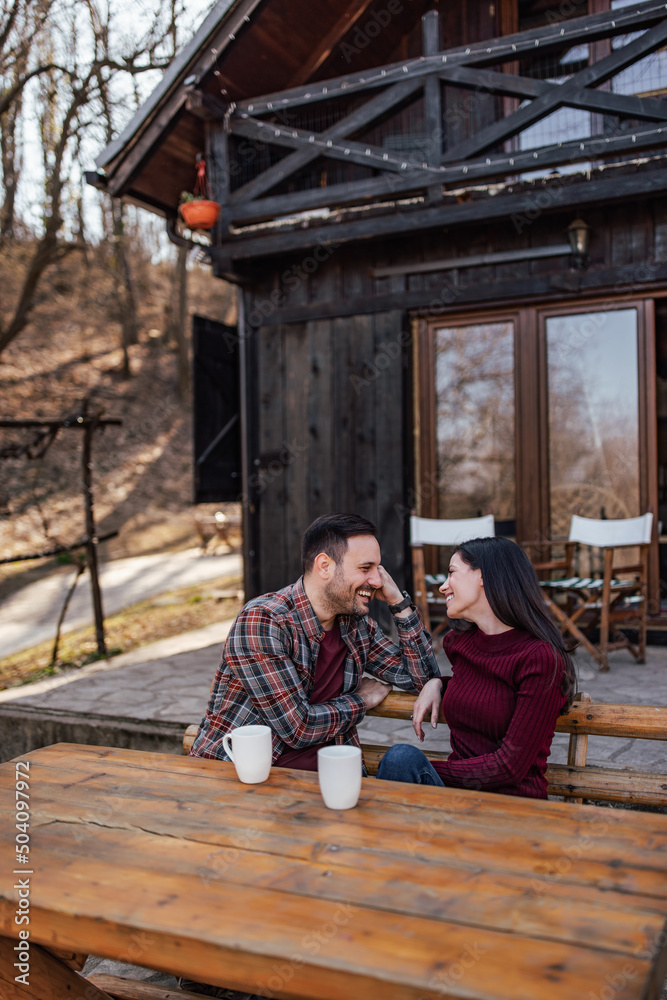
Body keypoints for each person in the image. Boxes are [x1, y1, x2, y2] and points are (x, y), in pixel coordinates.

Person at [189, 511, 440, 770]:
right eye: (366, 568)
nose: (377, 581)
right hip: (247, 777)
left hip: (333, 777)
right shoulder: (264, 621)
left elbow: (421, 679)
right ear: (324, 566)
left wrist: (400, 604)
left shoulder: (355, 625)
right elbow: (297, 728)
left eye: (379, 569)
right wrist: (361, 700)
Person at [376, 535, 576, 798]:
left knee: (401, 760)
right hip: (458, 801)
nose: (443, 587)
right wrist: (439, 683)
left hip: (512, 807)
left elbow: (509, 767)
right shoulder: (461, 643)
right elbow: (482, 690)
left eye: (452, 573)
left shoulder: (540, 658)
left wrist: (426, 772)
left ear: (483, 576)